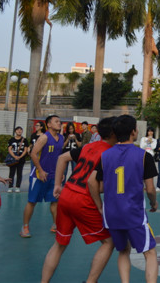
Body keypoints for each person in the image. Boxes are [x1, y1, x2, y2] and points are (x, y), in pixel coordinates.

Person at [41, 117, 118, 283]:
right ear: (114, 133)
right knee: (109, 242)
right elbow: (96, 185)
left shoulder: (88, 146)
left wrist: (58, 185)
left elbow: (62, 158)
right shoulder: (111, 153)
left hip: (66, 194)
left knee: (59, 244)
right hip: (84, 200)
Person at [90, 115, 159, 283]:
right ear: (133, 132)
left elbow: (96, 184)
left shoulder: (105, 156)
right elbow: (150, 189)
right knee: (150, 253)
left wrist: (101, 204)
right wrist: (153, 202)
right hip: (133, 213)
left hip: (112, 214)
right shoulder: (144, 156)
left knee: (123, 251)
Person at [21, 114, 65, 238]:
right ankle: (25, 227)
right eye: (56, 121)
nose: (59, 123)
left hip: (53, 175)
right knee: (32, 202)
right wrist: (40, 170)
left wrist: (60, 173)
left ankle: (55, 225)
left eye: (60, 121)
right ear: (49, 124)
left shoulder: (61, 138)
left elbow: (59, 157)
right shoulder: (44, 138)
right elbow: (33, 154)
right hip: (39, 175)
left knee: (55, 201)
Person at [7, 126, 29, 192]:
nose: (19, 131)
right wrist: (14, 156)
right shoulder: (12, 139)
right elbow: (9, 149)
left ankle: (17, 187)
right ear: (15, 131)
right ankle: (10, 187)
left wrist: (20, 156)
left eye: (20, 130)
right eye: (18, 130)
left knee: (19, 173)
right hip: (13, 159)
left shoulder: (24, 140)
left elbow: (25, 150)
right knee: (11, 173)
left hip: (21, 159)